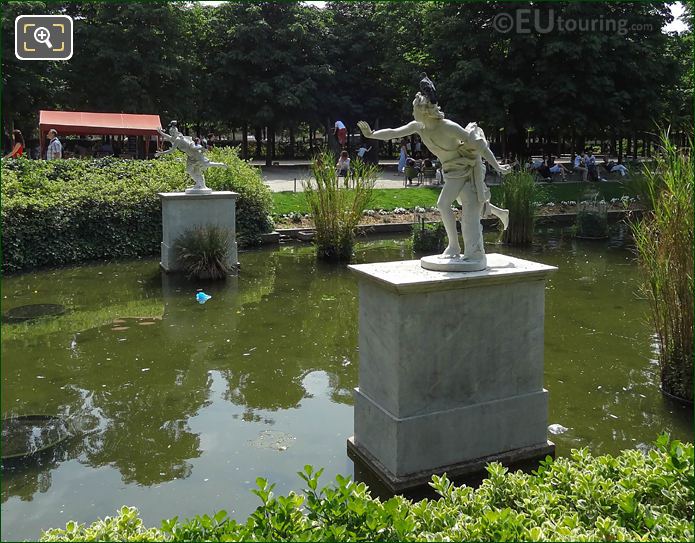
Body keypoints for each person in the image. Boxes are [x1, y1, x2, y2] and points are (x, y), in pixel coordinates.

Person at [358, 91, 510, 270]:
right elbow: (393, 132)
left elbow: (479, 145)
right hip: (449, 171)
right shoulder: (419, 126)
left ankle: (454, 246)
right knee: (468, 201)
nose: (412, 113)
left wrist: (497, 166)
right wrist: (372, 134)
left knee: (443, 203)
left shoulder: (448, 126)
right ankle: (501, 213)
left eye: (414, 109)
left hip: (463, 169)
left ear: (423, 111)